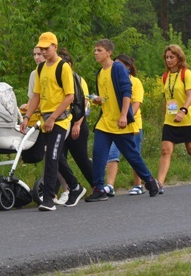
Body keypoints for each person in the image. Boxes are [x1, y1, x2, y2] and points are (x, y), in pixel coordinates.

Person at [85, 39, 160, 202]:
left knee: (132, 155)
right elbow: (108, 96)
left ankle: (150, 181)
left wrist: (124, 115)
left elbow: (127, 92)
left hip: (119, 123)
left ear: (109, 52)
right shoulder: (100, 73)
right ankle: (98, 188)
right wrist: (99, 100)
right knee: (98, 154)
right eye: (95, 50)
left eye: (99, 50)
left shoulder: (117, 67)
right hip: (105, 122)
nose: (96, 53)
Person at [20, 32, 86, 211]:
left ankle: (48, 198)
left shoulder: (63, 67)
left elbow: (69, 96)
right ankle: (76, 187)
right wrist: (26, 117)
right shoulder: (41, 69)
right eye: (41, 49)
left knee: (51, 157)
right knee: (56, 156)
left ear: (55, 47)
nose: (43, 52)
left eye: (46, 49)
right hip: (46, 118)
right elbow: (36, 96)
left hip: (61, 119)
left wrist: (53, 117)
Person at [157, 44, 191, 192]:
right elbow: (167, 97)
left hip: (186, 118)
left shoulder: (186, 73)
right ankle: (159, 183)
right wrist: (165, 114)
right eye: (167, 57)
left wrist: (183, 111)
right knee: (166, 150)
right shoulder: (166, 76)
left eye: (172, 57)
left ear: (179, 58)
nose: (169, 60)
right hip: (170, 119)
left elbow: (190, 94)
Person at [54, 48, 94, 204]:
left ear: (69, 65)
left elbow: (84, 104)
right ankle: (54, 192)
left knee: (81, 158)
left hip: (77, 122)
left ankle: (97, 186)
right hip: (63, 123)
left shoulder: (77, 79)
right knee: (57, 157)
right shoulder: (59, 79)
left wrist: (77, 124)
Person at [102, 55, 145, 196]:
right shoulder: (112, 80)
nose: (116, 67)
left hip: (133, 125)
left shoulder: (135, 82)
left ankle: (138, 184)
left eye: (119, 65)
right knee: (112, 154)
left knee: (134, 154)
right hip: (115, 125)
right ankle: (110, 185)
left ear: (128, 67)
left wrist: (126, 117)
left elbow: (136, 103)